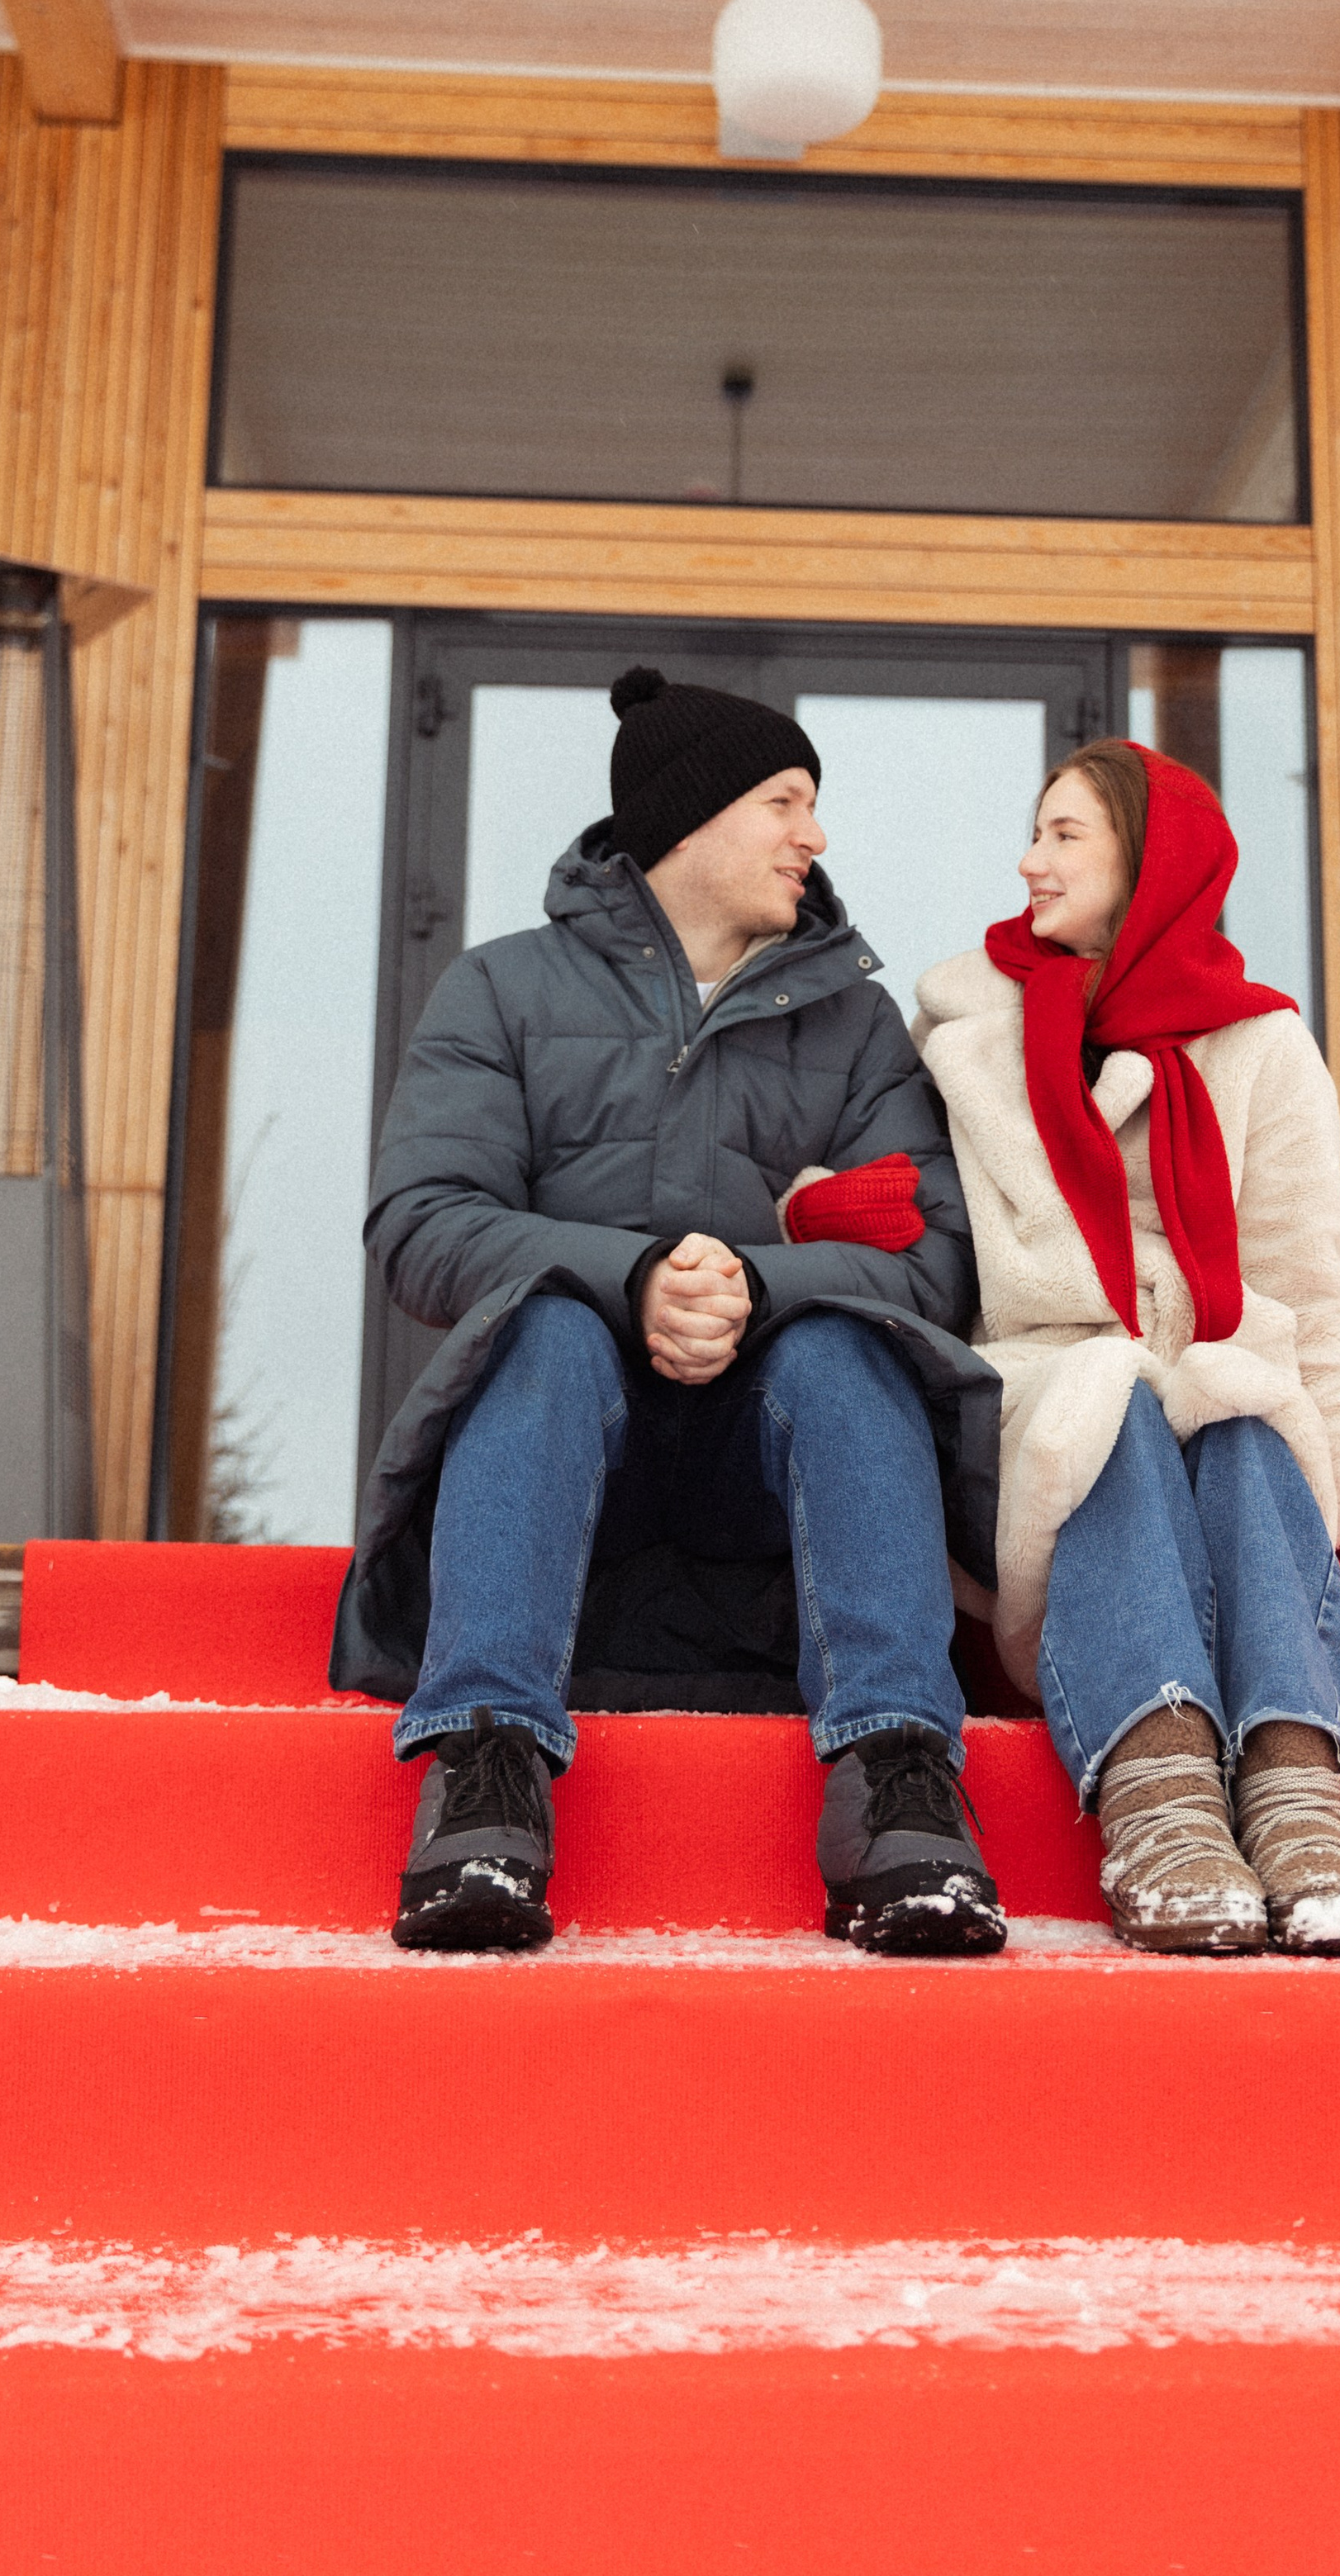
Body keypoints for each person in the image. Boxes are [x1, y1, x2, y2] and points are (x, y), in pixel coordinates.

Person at [330, 666, 1006, 1960]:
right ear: (688, 820)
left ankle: (901, 1777)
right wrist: (635, 1276)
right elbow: (420, 1227)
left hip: (771, 1486)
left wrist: (759, 1289)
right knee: (547, 1324)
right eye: (786, 802)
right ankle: (483, 1778)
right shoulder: (501, 991)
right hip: (559, 1475)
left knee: (845, 1345)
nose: (815, 836)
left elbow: (939, 1263)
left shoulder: (858, 1030)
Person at [912, 738, 1340, 1957]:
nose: (1030, 862)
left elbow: (1306, 1286)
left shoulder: (1259, 1045)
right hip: (1038, 1373)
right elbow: (908, 1198)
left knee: (1245, 1408)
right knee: (1112, 1406)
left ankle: (1299, 1796)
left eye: (1065, 834)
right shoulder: (957, 1020)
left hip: (1210, 1360)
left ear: (1151, 855)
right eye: (1034, 834)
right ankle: (1162, 1791)